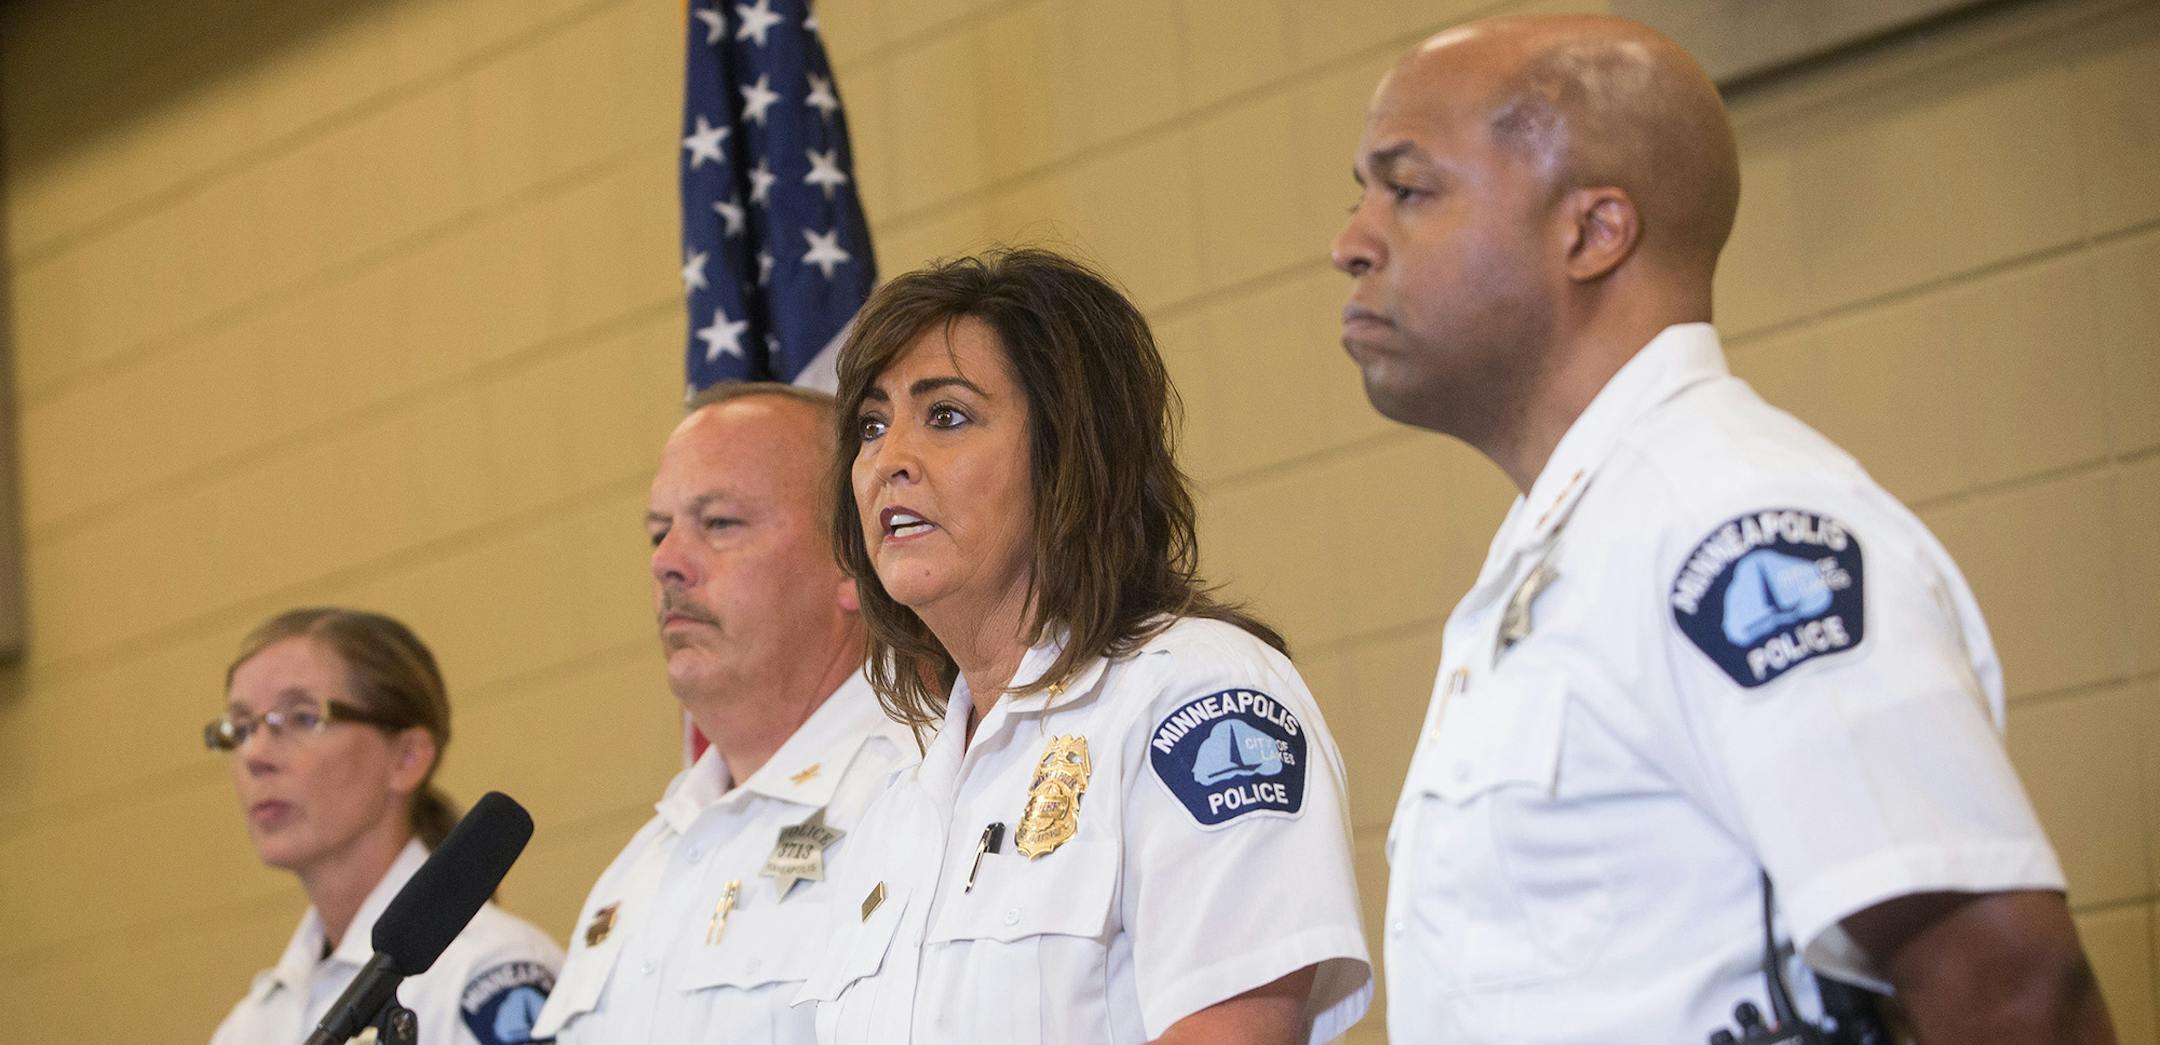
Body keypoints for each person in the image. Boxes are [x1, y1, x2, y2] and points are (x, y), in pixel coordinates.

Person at [1332, 14, 2111, 1045]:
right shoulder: (1584, 535)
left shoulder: (1730, 527)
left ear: (1592, 233)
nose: (1351, 241)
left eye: (1409, 189)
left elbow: (2011, 985)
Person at [798, 248, 1372, 1044]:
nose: (889, 460)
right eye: (870, 425)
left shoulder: (1196, 699)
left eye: (947, 415)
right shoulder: (897, 791)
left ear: (1069, 452)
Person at [529, 382, 912, 1043]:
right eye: (658, 531)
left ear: (854, 561)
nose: (667, 563)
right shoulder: (643, 867)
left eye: (720, 523)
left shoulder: (922, 794)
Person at [209, 608, 562, 1045]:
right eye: (240, 729)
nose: (254, 756)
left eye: (302, 717)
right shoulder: (256, 1021)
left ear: (407, 757)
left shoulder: (486, 971)